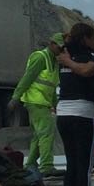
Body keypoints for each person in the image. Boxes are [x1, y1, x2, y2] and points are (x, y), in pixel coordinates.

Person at [55, 23, 94, 186]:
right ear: (85, 38)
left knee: (71, 163)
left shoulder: (63, 59)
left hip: (63, 113)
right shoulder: (89, 59)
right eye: (93, 38)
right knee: (84, 165)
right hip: (84, 113)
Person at [8, 33, 64, 177]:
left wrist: (55, 104)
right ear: (52, 44)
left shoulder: (55, 62)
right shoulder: (40, 57)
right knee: (47, 133)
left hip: (42, 102)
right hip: (35, 101)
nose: (62, 50)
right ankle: (46, 166)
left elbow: (51, 86)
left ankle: (31, 164)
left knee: (38, 136)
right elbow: (27, 78)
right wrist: (16, 97)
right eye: (60, 47)